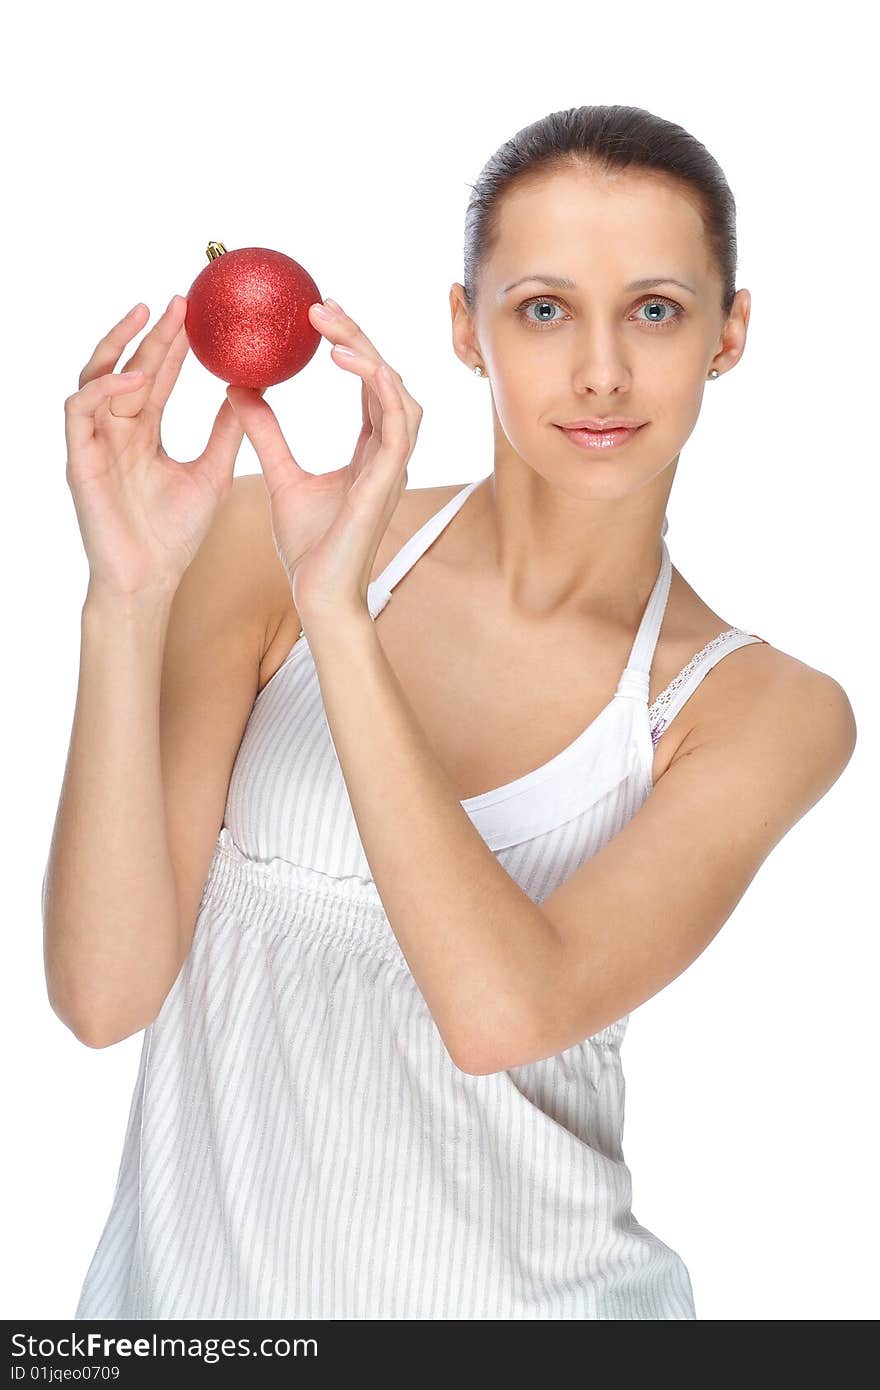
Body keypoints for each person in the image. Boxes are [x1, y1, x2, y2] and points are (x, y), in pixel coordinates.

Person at [44, 103, 856, 1321]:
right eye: (541, 308)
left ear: (728, 334)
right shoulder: (253, 554)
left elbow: (499, 1014)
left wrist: (342, 622)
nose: (599, 370)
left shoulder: (757, 707)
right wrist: (126, 599)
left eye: (654, 309)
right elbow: (104, 998)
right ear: (464, 330)